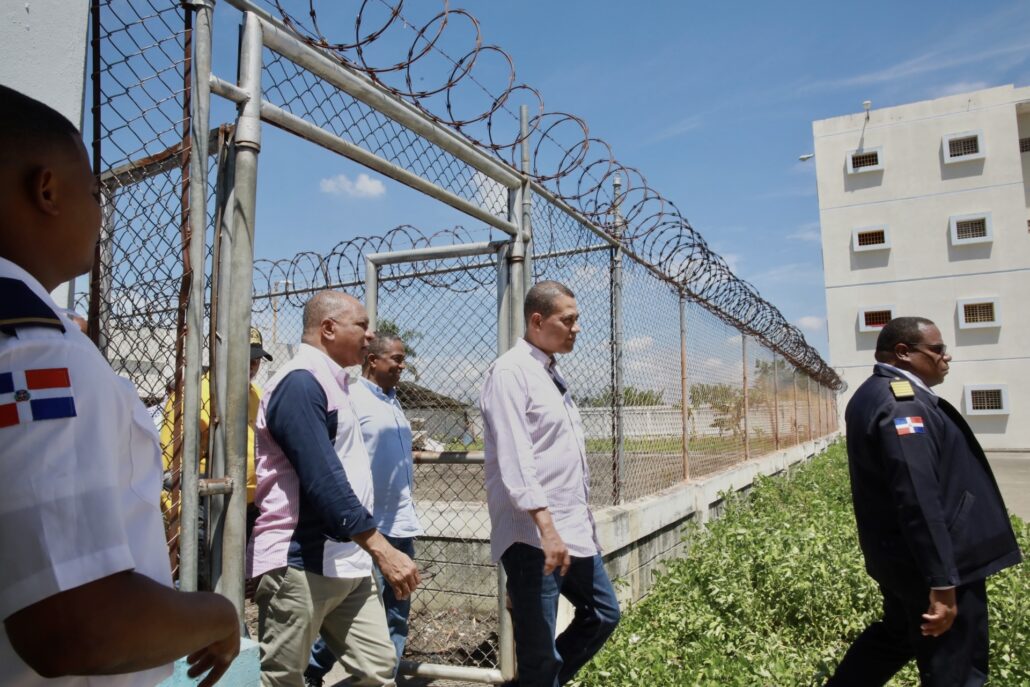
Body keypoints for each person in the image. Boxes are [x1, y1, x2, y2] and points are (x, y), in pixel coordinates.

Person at [0, 85, 239, 686]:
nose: (100, 216)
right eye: (92, 193)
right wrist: (215, 612)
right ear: (46, 190)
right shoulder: (36, 352)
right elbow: (75, 622)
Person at [826, 316, 1022, 686]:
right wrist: (942, 582)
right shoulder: (902, 404)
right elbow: (917, 496)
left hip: (904, 557)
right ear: (903, 352)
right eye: (937, 349)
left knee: (896, 637)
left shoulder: (877, 393)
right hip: (936, 562)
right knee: (957, 668)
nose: (946, 358)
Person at [248, 291, 420, 687]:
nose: (369, 335)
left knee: (377, 670)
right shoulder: (299, 384)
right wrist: (381, 547)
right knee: (283, 679)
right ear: (328, 329)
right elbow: (322, 479)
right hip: (301, 561)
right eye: (361, 325)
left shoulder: (334, 383)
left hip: (347, 562)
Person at [479, 280, 620, 686]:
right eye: (568, 320)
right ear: (537, 320)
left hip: (570, 530)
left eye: (577, 320)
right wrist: (546, 527)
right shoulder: (510, 372)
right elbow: (516, 458)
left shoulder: (548, 373)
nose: (576, 328)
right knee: (539, 654)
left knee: (604, 613)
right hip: (533, 537)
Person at [305, 334, 423, 686]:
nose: (402, 366)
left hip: (402, 524)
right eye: (396, 359)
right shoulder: (353, 398)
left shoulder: (393, 401)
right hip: (370, 527)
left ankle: (384, 678)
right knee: (355, 612)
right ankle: (311, 673)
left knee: (397, 615)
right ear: (372, 361)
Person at [160, 326, 270, 539]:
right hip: (203, 503)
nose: (250, 367)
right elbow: (169, 464)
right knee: (203, 569)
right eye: (243, 359)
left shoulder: (258, 394)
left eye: (255, 361)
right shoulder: (194, 393)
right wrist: (183, 519)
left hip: (248, 506)